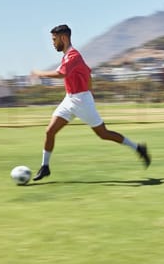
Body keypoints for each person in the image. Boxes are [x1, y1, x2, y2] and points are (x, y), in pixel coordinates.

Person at [30, 24, 150, 180]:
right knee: (50, 131)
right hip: (70, 99)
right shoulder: (67, 57)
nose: (53, 43)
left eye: (54, 39)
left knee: (103, 134)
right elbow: (88, 73)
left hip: (81, 101)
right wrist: (90, 90)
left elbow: (62, 74)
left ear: (63, 38)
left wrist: (39, 73)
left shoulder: (74, 56)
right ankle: (45, 167)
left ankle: (138, 148)